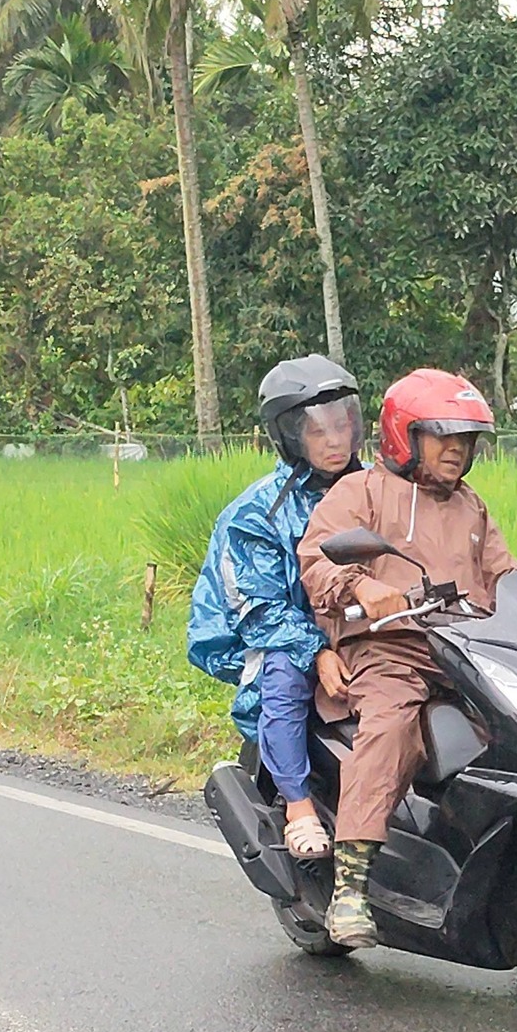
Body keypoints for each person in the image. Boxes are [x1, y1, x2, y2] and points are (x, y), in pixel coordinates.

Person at [298, 368, 517, 948]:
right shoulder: (362, 492)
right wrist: (363, 587)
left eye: (466, 439)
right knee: (392, 729)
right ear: (405, 435)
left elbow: (507, 577)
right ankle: (351, 887)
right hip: (391, 649)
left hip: (468, 654)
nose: (457, 449)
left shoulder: (473, 507)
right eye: (444, 435)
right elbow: (318, 559)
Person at [188, 355, 361, 861]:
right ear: (290, 437)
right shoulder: (257, 513)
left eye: (341, 425)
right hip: (283, 633)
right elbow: (258, 610)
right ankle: (299, 805)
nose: (334, 440)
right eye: (317, 430)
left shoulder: (380, 489)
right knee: (284, 677)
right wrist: (317, 652)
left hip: (362, 626)